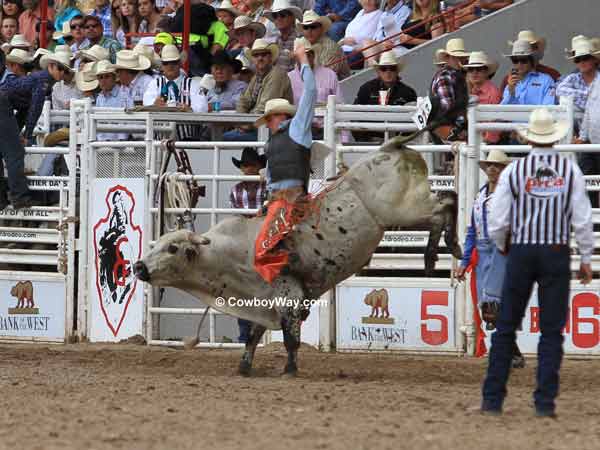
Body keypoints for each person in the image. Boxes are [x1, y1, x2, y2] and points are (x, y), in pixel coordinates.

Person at [481, 108, 594, 417]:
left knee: (505, 327)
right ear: (554, 138)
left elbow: (498, 219)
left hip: (521, 250)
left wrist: (504, 244)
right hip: (555, 251)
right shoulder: (569, 171)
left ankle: (492, 400)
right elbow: (582, 219)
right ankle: (544, 403)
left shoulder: (515, 172)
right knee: (551, 331)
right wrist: (586, 257)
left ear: (529, 138)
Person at [253, 41, 316, 284]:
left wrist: (303, 63)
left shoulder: (298, 128)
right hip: (278, 199)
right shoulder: (273, 142)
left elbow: (310, 93)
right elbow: (270, 177)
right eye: (267, 119)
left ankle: (283, 280)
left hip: (292, 199)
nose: (268, 123)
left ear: (280, 116)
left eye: (269, 118)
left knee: (262, 247)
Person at [455, 150, 525, 367]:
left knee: (493, 304)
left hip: (502, 249)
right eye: (490, 166)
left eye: (497, 166)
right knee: (489, 307)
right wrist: (465, 261)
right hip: (484, 251)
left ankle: (508, 353)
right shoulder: (480, 195)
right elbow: (472, 230)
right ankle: (513, 352)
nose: (492, 169)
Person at [0, 51, 70, 210]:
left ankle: (2, 198)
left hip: (5, 105)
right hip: (4, 105)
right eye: (61, 68)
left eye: (65, 70)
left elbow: (24, 107)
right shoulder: (44, 80)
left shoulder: (41, 79)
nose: (63, 73)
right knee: (15, 153)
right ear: (52, 66)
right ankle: (20, 197)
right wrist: (26, 134)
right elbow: (35, 107)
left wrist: (21, 131)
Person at [229, 147, 267, 343]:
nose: (248, 169)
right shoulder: (236, 190)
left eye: (251, 165)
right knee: (243, 289)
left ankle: (253, 336)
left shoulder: (267, 187)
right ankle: (246, 336)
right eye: (245, 166)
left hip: (264, 238)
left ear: (259, 166)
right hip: (246, 240)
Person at [226, 39, 293, 141]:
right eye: (256, 55)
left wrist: (246, 125)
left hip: (274, 130)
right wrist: (241, 122)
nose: (260, 58)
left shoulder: (277, 75)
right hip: (258, 126)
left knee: (225, 138)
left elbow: (265, 107)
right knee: (223, 137)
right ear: (253, 59)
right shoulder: (256, 77)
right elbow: (243, 101)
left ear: (270, 58)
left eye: (264, 55)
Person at [288, 37, 340, 139]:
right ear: (295, 58)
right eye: (302, 55)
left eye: (309, 54)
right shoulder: (288, 78)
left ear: (313, 55)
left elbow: (339, 105)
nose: (306, 58)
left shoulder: (330, 75)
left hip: (325, 130)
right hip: (298, 130)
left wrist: (343, 140)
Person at [428, 38, 469, 142]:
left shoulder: (456, 76)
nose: (459, 60)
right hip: (447, 127)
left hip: (449, 126)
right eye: (455, 57)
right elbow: (447, 106)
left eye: (461, 57)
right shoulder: (445, 76)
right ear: (448, 58)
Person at [557, 37, 599, 124]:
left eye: (585, 58)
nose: (581, 62)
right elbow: (560, 90)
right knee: (565, 102)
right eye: (578, 60)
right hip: (577, 128)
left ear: (595, 59)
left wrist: (575, 99)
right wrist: (589, 94)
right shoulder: (573, 78)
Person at [501, 39, 556, 106]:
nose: (519, 64)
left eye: (523, 60)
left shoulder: (546, 80)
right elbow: (504, 111)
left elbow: (548, 107)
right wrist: (511, 92)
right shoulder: (510, 83)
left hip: (538, 116)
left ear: (531, 60)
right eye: (515, 60)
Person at [298, 9, 349, 79]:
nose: (309, 31)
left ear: (321, 28)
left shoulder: (331, 48)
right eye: (306, 27)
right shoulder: (301, 44)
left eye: (313, 26)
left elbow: (325, 78)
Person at [464, 51, 501, 144]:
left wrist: (485, 142)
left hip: (485, 144)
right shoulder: (469, 89)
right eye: (471, 69)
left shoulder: (493, 93)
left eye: (479, 69)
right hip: (472, 140)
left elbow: (494, 126)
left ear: (486, 72)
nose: (474, 72)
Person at [95, 59, 132, 141]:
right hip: (101, 142)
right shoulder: (99, 97)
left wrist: (122, 140)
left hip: (120, 144)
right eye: (100, 77)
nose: (103, 80)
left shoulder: (124, 95)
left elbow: (129, 120)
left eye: (107, 76)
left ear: (114, 78)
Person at [338, 0, 381, 69]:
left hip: (357, 53)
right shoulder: (361, 12)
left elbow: (368, 38)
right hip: (344, 49)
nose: (368, 1)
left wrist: (353, 41)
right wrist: (342, 41)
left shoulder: (378, 14)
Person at [265, 0, 302, 73]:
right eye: (275, 16)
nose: (278, 19)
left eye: (282, 15)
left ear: (292, 18)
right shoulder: (276, 40)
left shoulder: (299, 38)